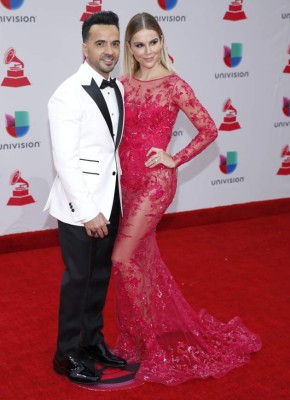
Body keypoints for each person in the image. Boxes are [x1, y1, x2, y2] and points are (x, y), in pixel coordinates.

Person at [111, 12, 262, 385]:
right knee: (141, 260)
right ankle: (136, 337)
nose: (148, 51)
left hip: (156, 183)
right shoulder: (121, 84)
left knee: (122, 258)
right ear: (129, 47)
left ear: (163, 41)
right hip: (125, 184)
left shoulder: (175, 85)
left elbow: (209, 128)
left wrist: (173, 158)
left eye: (154, 42)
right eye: (139, 44)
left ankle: (148, 343)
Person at [44, 11, 126, 385]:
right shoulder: (66, 94)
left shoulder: (118, 87)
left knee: (99, 278)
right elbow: (65, 161)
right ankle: (66, 354)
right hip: (81, 210)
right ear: (85, 48)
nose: (108, 51)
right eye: (99, 43)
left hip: (110, 201)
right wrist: (89, 211)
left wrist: (107, 207)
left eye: (113, 43)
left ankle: (92, 342)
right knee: (78, 279)